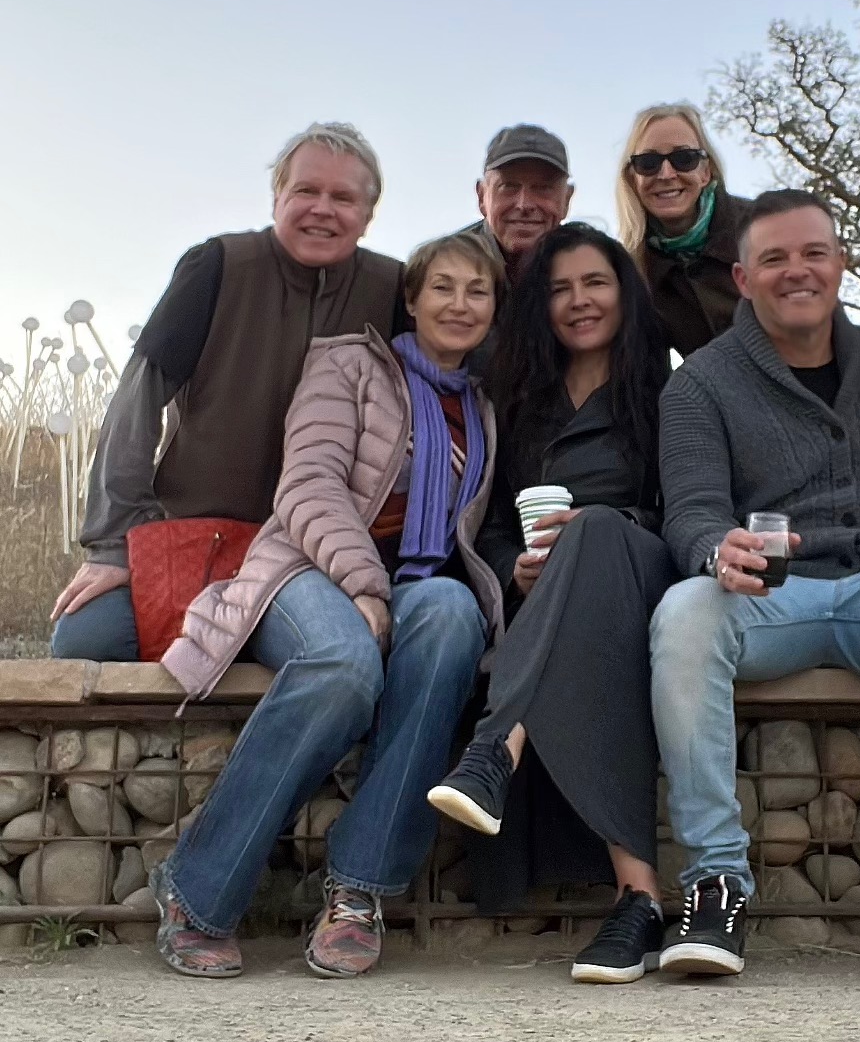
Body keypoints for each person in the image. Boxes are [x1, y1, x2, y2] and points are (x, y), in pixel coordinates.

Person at [649, 189, 860, 988]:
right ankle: (715, 884)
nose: (797, 271)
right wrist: (714, 548)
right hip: (771, 599)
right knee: (683, 612)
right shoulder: (699, 383)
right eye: (774, 258)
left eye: (814, 253)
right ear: (743, 279)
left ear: (843, 265)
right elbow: (692, 508)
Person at [151, 233, 504, 979]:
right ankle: (196, 891)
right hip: (303, 568)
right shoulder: (347, 365)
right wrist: (363, 586)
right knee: (343, 664)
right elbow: (308, 484)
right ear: (412, 299)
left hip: (413, 582)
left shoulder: (481, 405)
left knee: (452, 615)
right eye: (443, 287)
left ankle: (358, 889)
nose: (460, 304)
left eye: (478, 290)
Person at [51, 123, 403, 662]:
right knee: (88, 641)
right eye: (306, 190)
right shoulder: (218, 266)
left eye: (343, 197)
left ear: (369, 213)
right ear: (277, 196)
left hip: (307, 556)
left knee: (339, 656)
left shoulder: (393, 290)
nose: (322, 209)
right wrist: (114, 545)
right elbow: (136, 403)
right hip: (193, 536)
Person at [428, 223, 675, 985]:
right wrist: (517, 570)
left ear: (623, 293)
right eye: (561, 289)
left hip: (649, 575)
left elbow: (688, 510)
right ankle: (639, 899)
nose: (579, 301)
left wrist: (607, 528)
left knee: (593, 531)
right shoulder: (520, 403)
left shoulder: (666, 391)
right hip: (556, 607)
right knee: (579, 586)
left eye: (595, 282)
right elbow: (492, 528)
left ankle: (494, 750)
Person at [616, 102, 752, 356]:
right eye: (648, 162)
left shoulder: (759, 226)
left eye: (684, 159)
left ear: (706, 172)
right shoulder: (634, 271)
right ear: (633, 178)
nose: (666, 174)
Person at [470, 124, 574, 279]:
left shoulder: (592, 265)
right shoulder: (442, 269)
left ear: (566, 200)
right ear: (481, 197)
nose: (524, 204)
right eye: (508, 186)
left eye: (543, 188)